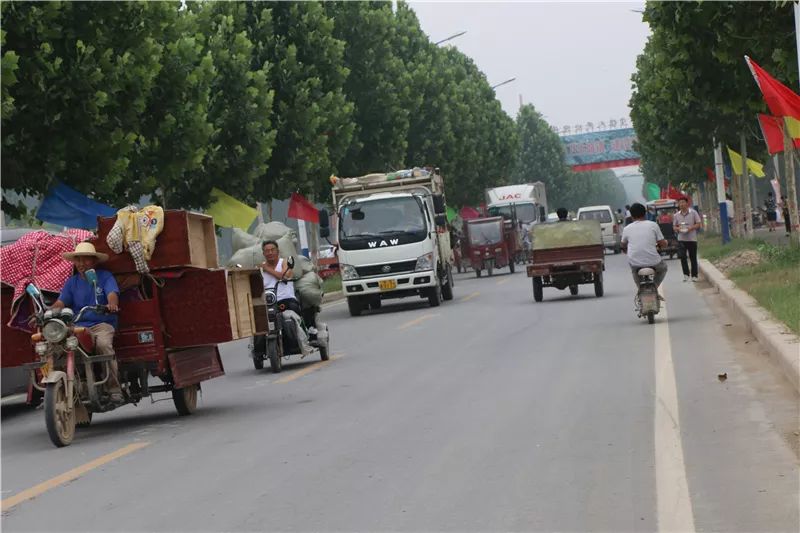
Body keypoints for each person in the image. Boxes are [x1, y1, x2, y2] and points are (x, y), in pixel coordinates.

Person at [52, 242, 123, 401]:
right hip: (78, 326)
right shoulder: (72, 282)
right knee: (59, 347)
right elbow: (61, 302)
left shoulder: (104, 276)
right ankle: (74, 387)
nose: (81, 263)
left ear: (94, 261)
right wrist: (50, 311)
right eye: (78, 260)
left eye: (86, 260)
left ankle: (114, 388)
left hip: (101, 325)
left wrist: (112, 304)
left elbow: (112, 294)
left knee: (104, 346)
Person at [260, 240, 311, 355]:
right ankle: (257, 347)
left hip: (286, 300)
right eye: (267, 251)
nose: (270, 253)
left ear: (278, 251)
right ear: (263, 253)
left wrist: (267, 269)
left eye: (272, 250)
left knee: (292, 312)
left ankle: (302, 338)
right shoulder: (260, 269)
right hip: (268, 302)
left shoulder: (284, 263)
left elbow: (284, 276)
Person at [621, 203, 668, 297]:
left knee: (634, 271)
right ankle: (654, 287)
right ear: (645, 213)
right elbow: (662, 243)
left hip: (635, 262)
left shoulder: (627, 228)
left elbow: (623, 244)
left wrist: (626, 250)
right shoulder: (653, 225)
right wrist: (664, 245)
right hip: (654, 262)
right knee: (663, 268)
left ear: (631, 215)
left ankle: (640, 290)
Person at [673, 197, 702, 281]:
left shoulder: (693, 213)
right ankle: (686, 274)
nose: (681, 204)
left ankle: (694, 275)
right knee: (682, 257)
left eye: (683, 202)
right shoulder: (676, 215)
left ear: (687, 203)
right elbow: (674, 226)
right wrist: (678, 229)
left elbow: (698, 224)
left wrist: (690, 228)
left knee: (693, 257)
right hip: (681, 239)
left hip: (692, 239)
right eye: (680, 203)